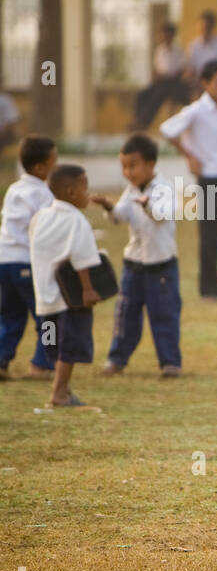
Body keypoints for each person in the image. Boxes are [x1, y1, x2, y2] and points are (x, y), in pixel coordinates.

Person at [88, 134, 181, 378]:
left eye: (133, 166)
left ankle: (170, 362)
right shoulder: (131, 190)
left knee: (164, 314)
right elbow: (121, 217)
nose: (128, 172)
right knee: (125, 312)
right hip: (134, 263)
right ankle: (117, 359)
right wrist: (108, 206)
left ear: (150, 164)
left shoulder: (164, 188)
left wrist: (147, 205)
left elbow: (162, 215)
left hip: (160, 264)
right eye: (124, 167)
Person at [161, 59, 217, 302]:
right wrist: (190, 157)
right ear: (205, 83)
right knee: (210, 237)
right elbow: (167, 130)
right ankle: (209, 290)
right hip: (210, 178)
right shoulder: (196, 110)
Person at [28, 164, 103, 408]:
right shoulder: (76, 220)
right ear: (72, 192)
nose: (88, 194)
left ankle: (62, 388)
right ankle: (59, 392)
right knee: (68, 346)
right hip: (70, 300)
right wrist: (88, 289)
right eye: (85, 188)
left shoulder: (40, 217)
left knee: (50, 341)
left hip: (45, 299)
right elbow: (82, 258)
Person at [0, 135, 58, 381]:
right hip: (29, 262)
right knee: (48, 315)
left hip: (5, 261)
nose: (57, 166)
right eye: (54, 161)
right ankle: (43, 364)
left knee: (10, 315)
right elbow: (46, 229)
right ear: (40, 168)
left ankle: (1, 359)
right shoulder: (44, 194)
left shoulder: (14, 188)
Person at [132, 23, 188, 130]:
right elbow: (157, 69)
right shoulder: (159, 50)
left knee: (158, 95)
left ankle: (144, 122)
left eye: (168, 34)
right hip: (161, 82)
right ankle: (138, 120)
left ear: (172, 35)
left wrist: (170, 76)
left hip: (174, 83)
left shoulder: (178, 51)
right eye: (164, 34)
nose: (165, 36)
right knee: (142, 94)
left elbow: (181, 70)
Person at [187, 11, 217, 87]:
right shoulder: (193, 45)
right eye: (202, 25)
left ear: (212, 26)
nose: (204, 28)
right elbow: (191, 67)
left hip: (216, 81)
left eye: (207, 26)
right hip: (198, 80)